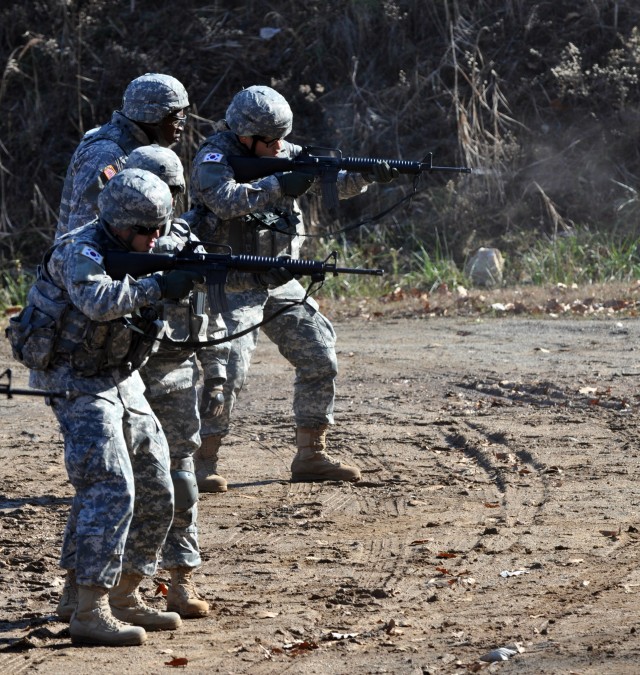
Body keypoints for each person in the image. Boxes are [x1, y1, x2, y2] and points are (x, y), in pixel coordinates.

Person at [15, 169, 202, 646]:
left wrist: (187, 267)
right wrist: (160, 285)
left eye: (158, 229)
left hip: (119, 374)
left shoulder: (150, 244)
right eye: (143, 231)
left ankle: (123, 594)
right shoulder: (78, 250)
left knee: (159, 482)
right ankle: (88, 610)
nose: (153, 239)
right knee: (109, 483)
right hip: (72, 377)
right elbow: (97, 302)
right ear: (117, 223)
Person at [184, 85, 398, 490]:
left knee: (320, 354)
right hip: (230, 283)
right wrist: (281, 186)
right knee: (226, 372)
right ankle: (202, 461)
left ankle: (311, 455)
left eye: (282, 138)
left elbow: (329, 181)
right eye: (270, 140)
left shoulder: (283, 152)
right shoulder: (213, 158)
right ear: (245, 136)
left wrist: (368, 176)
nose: (280, 146)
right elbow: (223, 201)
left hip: (279, 279)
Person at [125, 145, 228, 617]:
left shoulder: (189, 241)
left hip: (174, 374)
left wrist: (217, 370)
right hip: (120, 378)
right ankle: (89, 590)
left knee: (181, 479)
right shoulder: (100, 243)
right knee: (116, 485)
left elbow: (207, 315)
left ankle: (180, 581)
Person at [56, 72, 189, 239]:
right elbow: (83, 229)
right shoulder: (106, 155)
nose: (181, 127)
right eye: (177, 118)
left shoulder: (139, 148)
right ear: (153, 115)